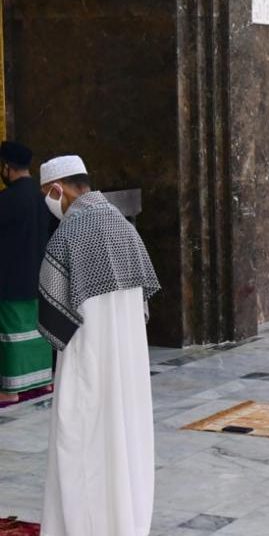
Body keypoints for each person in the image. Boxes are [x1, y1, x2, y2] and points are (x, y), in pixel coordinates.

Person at [37, 155, 161, 536]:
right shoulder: (123, 227)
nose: (49, 202)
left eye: (47, 195)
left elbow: (51, 318)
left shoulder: (69, 234)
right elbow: (143, 301)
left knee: (82, 440)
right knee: (124, 440)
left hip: (86, 359)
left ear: (59, 189)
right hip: (127, 362)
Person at [0, 141, 54, 404]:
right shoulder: (42, 198)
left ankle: (11, 391)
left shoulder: (7, 200)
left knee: (12, 334)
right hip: (40, 276)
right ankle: (43, 383)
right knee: (38, 331)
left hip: (10, 279)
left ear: (7, 168)